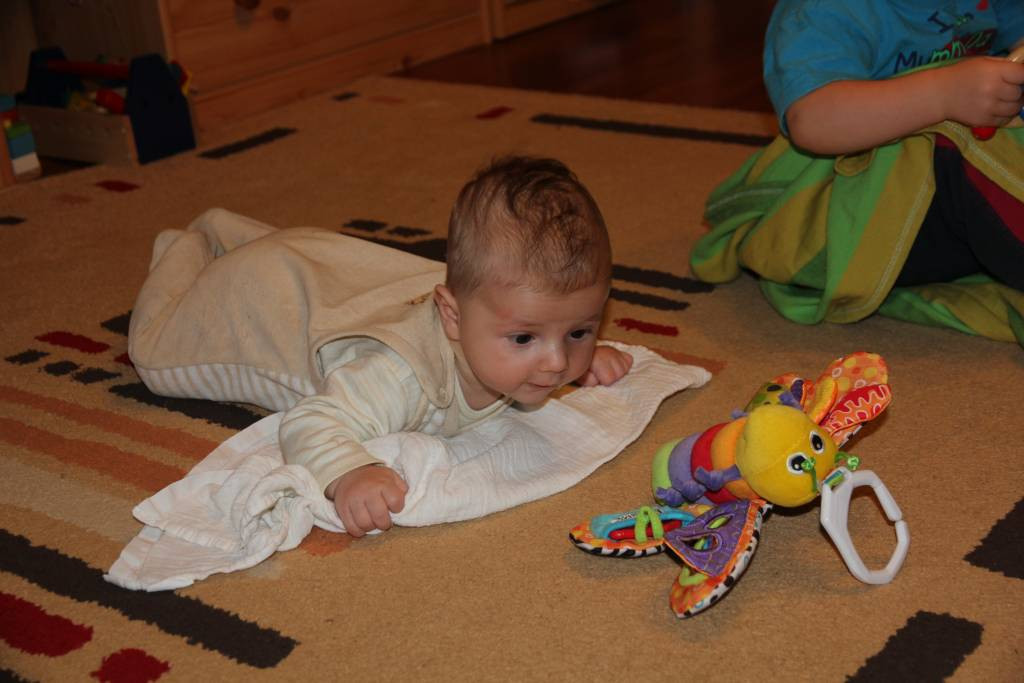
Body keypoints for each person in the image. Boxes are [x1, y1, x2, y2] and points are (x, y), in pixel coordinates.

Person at [128, 156, 634, 538]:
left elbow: (551, 333)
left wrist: (586, 357)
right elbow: (310, 421)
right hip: (262, 300)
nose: (556, 362)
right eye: (525, 338)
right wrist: (350, 472)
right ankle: (186, 247)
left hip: (337, 273)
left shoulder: (505, 313)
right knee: (154, 355)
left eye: (579, 332)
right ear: (452, 316)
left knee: (306, 259)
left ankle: (232, 231)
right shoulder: (400, 376)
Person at [690, 0, 1024, 343]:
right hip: (845, 215)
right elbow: (813, 119)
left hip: (943, 218)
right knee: (955, 148)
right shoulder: (825, 9)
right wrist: (943, 95)